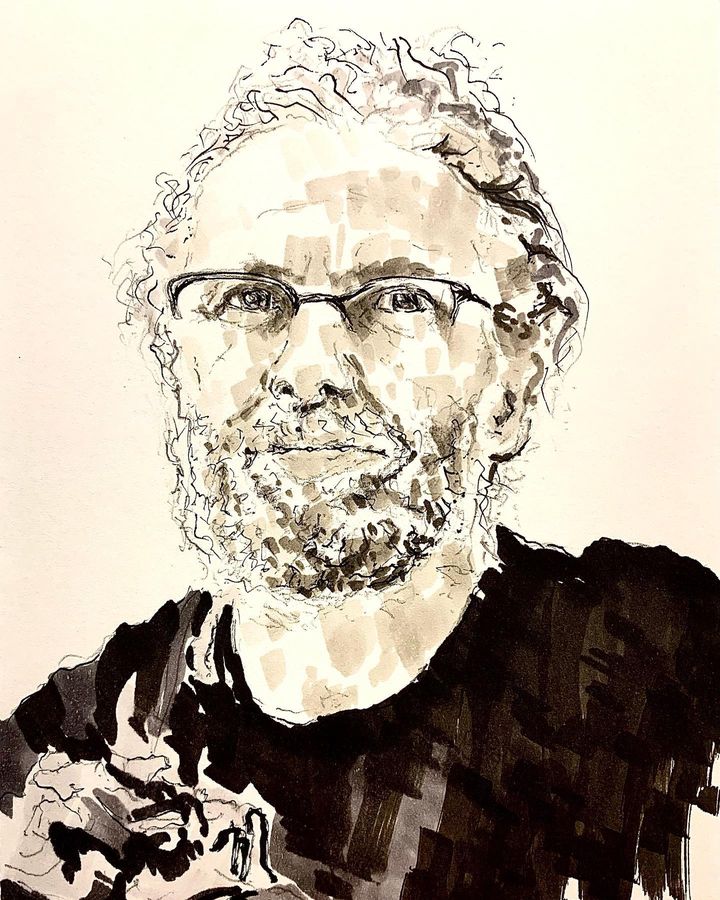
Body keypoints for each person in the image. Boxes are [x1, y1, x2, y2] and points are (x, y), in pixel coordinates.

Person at [1, 20, 718, 900]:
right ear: (175, 360)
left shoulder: (673, 688)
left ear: (517, 374)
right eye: (246, 298)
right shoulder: (61, 756)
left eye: (401, 299)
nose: (309, 368)